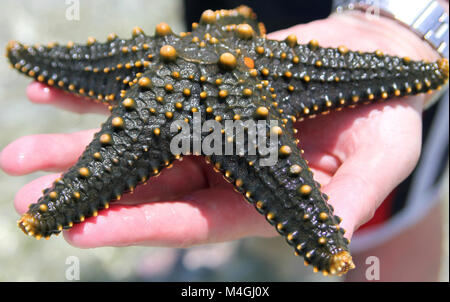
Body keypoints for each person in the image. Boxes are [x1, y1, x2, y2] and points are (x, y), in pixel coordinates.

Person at [1, 0, 448, 281]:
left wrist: (405, 29)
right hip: (227, 20)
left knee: (386, 229)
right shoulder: (254, 53)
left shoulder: (269, 64)